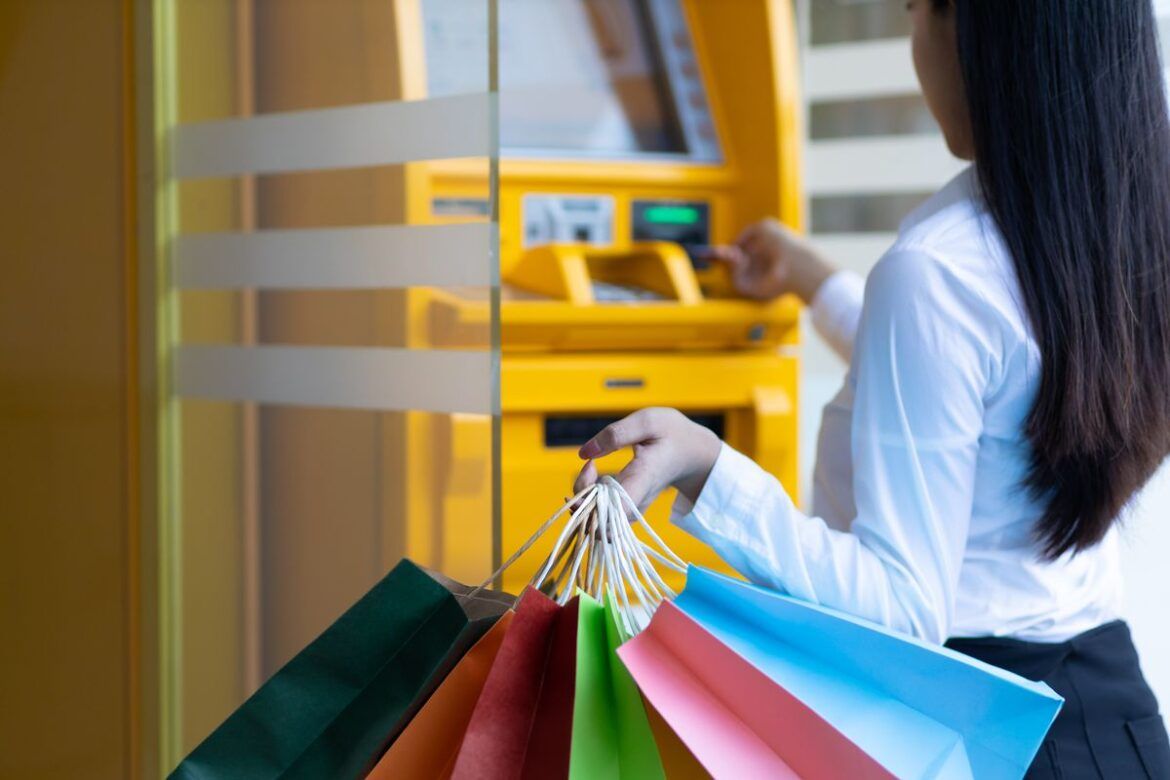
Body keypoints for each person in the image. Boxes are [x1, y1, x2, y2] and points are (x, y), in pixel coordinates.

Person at [574, 1, 1170, 776]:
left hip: (973, 735)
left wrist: (708, 467)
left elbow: (901, 607)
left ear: (979, 33)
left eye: (917, 9)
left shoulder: (940, 273)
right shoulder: (1123, 224)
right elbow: (991, 393)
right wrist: (814, 280)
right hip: (1111, 721)